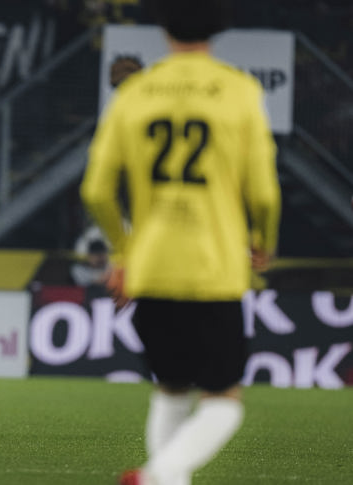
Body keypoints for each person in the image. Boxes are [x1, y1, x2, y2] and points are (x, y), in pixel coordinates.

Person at [80, 0, 281, 484]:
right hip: (214, 269)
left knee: (170, 391)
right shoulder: (239, 91)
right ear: (220, 25)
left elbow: (96, 189)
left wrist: (124, 252)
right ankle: (158, 474)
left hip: (152, 267)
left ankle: (163, 478)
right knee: (223, 402)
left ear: (162, 24)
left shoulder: (136, 92)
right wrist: (263, 239)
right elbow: (264, 193)